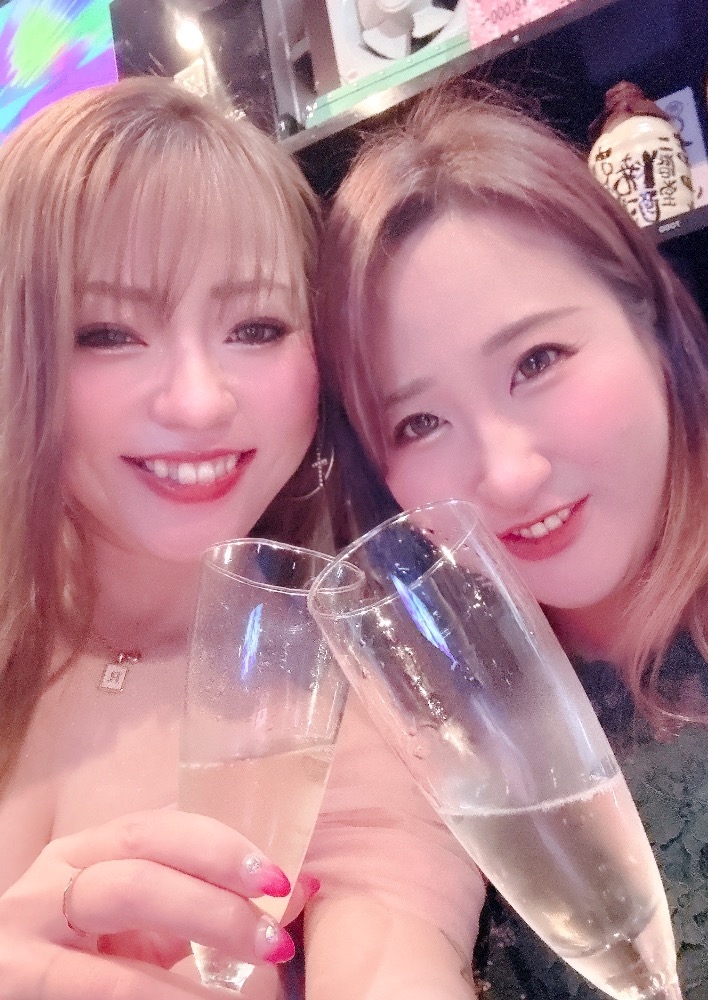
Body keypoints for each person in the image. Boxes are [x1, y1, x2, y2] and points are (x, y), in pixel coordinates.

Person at [0, 76, 485, 1000]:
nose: (198, 401)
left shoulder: (350, 691)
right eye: (107, 332)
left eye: (256, 327)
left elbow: (393, 956)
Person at [315, 82, 708, 1000]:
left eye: (537, 361)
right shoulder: (427, 713)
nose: (507, 475)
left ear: (649, 318)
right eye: (420, 423)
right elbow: (383, 921)